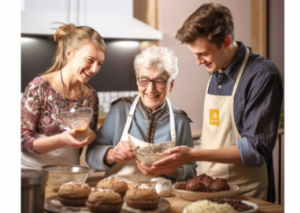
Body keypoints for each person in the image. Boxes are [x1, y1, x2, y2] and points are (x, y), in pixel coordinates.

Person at [151, 3, 283, 202]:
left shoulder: (262, 75)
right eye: (194, 54)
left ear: (226, 41)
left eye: (203, 54)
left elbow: (255, 150)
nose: (198, 61)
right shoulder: (216, 70)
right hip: (209, 191)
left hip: (247, 195)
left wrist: (193, 154)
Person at [86, 45, 197, 183]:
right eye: (144, 80)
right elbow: (91, 155)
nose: (150, 89)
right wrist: (112, 154)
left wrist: (171, 171)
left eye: (159, 81)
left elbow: (191, 171)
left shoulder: (180, 120)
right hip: (119, 196)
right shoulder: (121, 109)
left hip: (163, 198)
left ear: (171, 85)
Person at [21, 23, 107, 169]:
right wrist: (62, 139)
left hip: (70, 174)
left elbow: (90, 136)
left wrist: (91, 135)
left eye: (100, 63)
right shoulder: (39, 88)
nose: (95, 69)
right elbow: (22, 141)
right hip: (33, 175)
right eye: (90, 60)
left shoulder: (91, 96)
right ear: (70, 53)